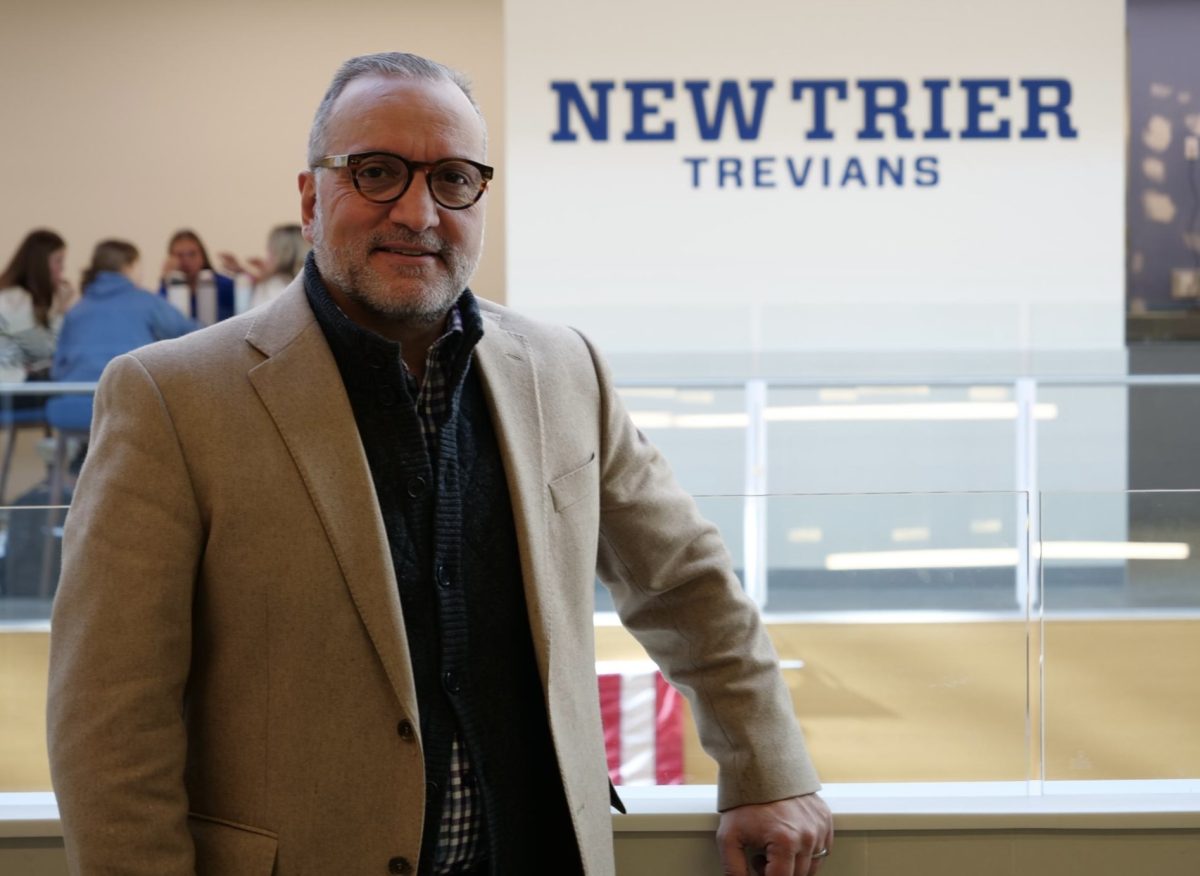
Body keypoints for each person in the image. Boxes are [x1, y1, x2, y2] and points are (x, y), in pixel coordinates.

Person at [46, 52, 833, 876]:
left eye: (454, 178)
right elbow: (111, 718)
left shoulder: (564, 370)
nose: (418, 210)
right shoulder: (173, 398)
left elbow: (684, 580)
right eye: (377, 172)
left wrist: (765, 767)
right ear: (312, 199)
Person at [45, 239, 196, 432]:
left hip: (71, 408)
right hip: (129, 404)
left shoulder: (76, 310)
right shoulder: (146, 302)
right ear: (130, 266)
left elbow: (58, 369)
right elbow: (193, 335)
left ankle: (84, 455)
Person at [0, 229, 77, 383]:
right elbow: (45, 351)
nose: (62, 268)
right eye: (58, 260)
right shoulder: (13, 299)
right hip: (10, 386)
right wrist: (61, 311)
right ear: (40, 263)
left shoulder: (18, 296)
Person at [218, 223, 311, 310]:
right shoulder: (307, 285)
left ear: (279, 253)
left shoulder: (274, 287)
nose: (266, 257)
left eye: (269, 250)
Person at [158, 228, 236, 323]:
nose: (186, 260)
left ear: (202, 255)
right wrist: (164, 279)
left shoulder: (223, 285)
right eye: (180, 255)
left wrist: (241, 274)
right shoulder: (167, 289)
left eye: (192, 254)